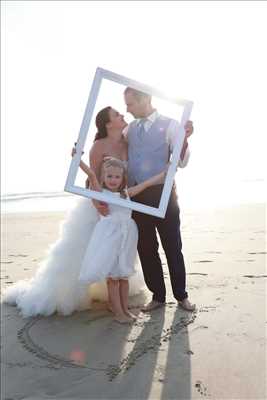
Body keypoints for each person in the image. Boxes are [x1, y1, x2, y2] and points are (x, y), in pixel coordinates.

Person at [3, 106, 144, 317]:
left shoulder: (125, 141)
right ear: (107, 124)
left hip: (120, 204)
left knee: (115, 254)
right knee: (93, 252)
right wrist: (97, 203)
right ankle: (66, 293)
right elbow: (93, 178)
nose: (122, 115)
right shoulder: (99, 145)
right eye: (116, 115)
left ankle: (114, 299)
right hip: (100, 206)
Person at [123, 87, 196, 312]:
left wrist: (185, 140)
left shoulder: (171, 125)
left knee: (172, 245)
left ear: (145, 99)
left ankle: (182, 296)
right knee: (146, 247)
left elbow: (181, 162)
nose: (127, 109)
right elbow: (118, 155)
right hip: (137, 196)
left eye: (130, 104)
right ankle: (158, 296)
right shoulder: (129, 129)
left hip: (164, 194)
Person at [73, 156, 166, 323]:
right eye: (109, 176)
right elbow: (91, 175)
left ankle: (124, 309)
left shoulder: (125, 194)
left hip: (128, 235)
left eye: (117, 176)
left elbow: (145, 184)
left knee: (124, 276)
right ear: (103, 177)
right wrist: (77, 157)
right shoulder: (102, 193)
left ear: (123, 178)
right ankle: (118, 313)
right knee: (113, 277)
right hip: (110, 236)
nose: (113, 180)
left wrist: (165, 173)